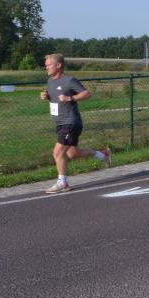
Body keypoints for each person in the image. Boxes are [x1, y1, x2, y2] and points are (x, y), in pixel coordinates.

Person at [40, 53, 111, 193]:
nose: (46, 67)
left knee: (57, 152)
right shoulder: (50, 81)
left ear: (58, 65)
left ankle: (62, 183)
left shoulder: (69, 80)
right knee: (73, 153)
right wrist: (46, 96)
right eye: (46, 65)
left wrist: (70, 98)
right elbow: (54, 97)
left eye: (48, 65)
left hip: (70, 122)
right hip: (60, 123)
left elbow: (86, 94)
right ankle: (103, 154)